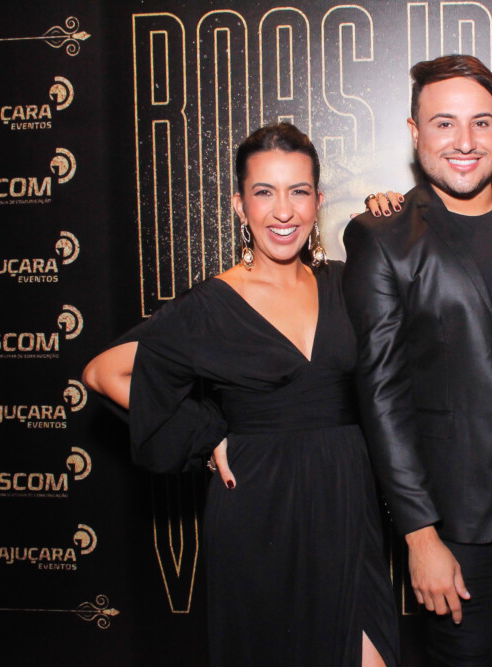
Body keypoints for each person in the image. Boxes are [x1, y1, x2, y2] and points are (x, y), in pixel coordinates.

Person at [82, 123, 398, 667]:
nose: (284, 211)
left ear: (318, 201)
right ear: (239, 205)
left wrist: (395, 216)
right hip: (258, 509)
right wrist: (204, 431)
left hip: (347, 504)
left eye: (299, 191)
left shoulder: (346, 283)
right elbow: (103, 372)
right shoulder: (213, 305)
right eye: (264, 192)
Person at [342, 55, 492, 666]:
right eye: (444, 123)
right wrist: (419, 534)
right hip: (455, 512)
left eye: (481, 122)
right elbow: (381, 397)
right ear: (414, 132)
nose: (465, 141)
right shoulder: (383, 235)